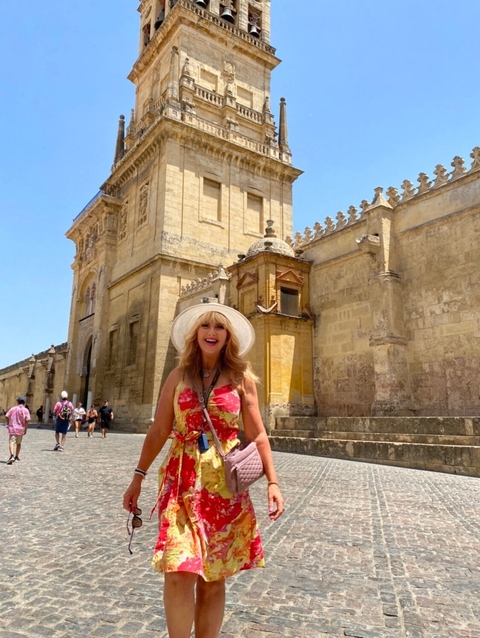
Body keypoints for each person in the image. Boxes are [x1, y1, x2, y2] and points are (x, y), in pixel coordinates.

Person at [123, 302, 285, 638]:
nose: (212, 332)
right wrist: (137, 477)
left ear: (228, 337)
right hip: (180, 481)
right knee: (178, 570)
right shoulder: (177, 377)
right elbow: (157, 431)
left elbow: (257, 434)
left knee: (213, 577)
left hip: (223, 488)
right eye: (206, 326)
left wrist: (273, 482)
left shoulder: (242, 379)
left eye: (219, 327)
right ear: (195, 334)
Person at [5, 396, 30, 464]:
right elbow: (27, 420)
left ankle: (12, 456)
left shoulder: (13, 408)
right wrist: (25, 429)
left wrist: (8, 423)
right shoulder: (26, 410)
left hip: (13, 428)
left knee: (11, 442)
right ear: (24, 403)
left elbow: (7, 416)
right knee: (18, 443)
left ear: (17, 402)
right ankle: (16, 456)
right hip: (20, 429)